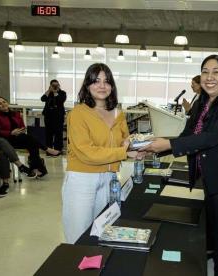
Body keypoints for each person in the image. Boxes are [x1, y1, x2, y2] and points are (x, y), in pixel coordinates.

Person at [141, 55, 218, 276]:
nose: (209, 77)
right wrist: (154, 147)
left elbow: (212, 137)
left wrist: (169, 145)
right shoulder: (203, 101)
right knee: (211, 228)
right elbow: (188, 133)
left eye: (216, 72)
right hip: (213, 178)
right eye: (205, 72)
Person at [62, 63, 139, 244]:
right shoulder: (78, 114)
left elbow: (124, 142)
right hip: (82, 179)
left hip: (109, 178)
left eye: (107, 81)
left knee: (99, 230)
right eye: (96, 81)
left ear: (112, 86)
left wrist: (136, 150)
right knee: (78, 236)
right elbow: (86, 152)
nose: (102, 86)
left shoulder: (118, 114)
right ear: (87, 85)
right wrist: (124, 151)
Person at [0, 96, 59, 178]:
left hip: (20, 138)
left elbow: (23, 126)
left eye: (4, 102)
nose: (3, 104)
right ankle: (47, 150)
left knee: (32, 144)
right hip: (7, 141)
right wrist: (11, 132)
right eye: (0, 104)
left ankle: (35, 169)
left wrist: (22, 130)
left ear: (7, 102)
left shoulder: (16, 114)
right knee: (30, 140)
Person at [41, 79, 67, 156]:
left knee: (58, 134)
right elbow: (42, 99)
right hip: (48, 116)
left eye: (56, 85)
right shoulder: (49, 93)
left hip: (58, 116)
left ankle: (57, 150)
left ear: (59, 85)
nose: (55, 87)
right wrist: (49, 91)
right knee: (48, 134)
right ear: (50, 86)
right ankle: (49, 150)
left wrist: (56, 93)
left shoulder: (62, 93)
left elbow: (60, 101)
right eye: (53, 85)